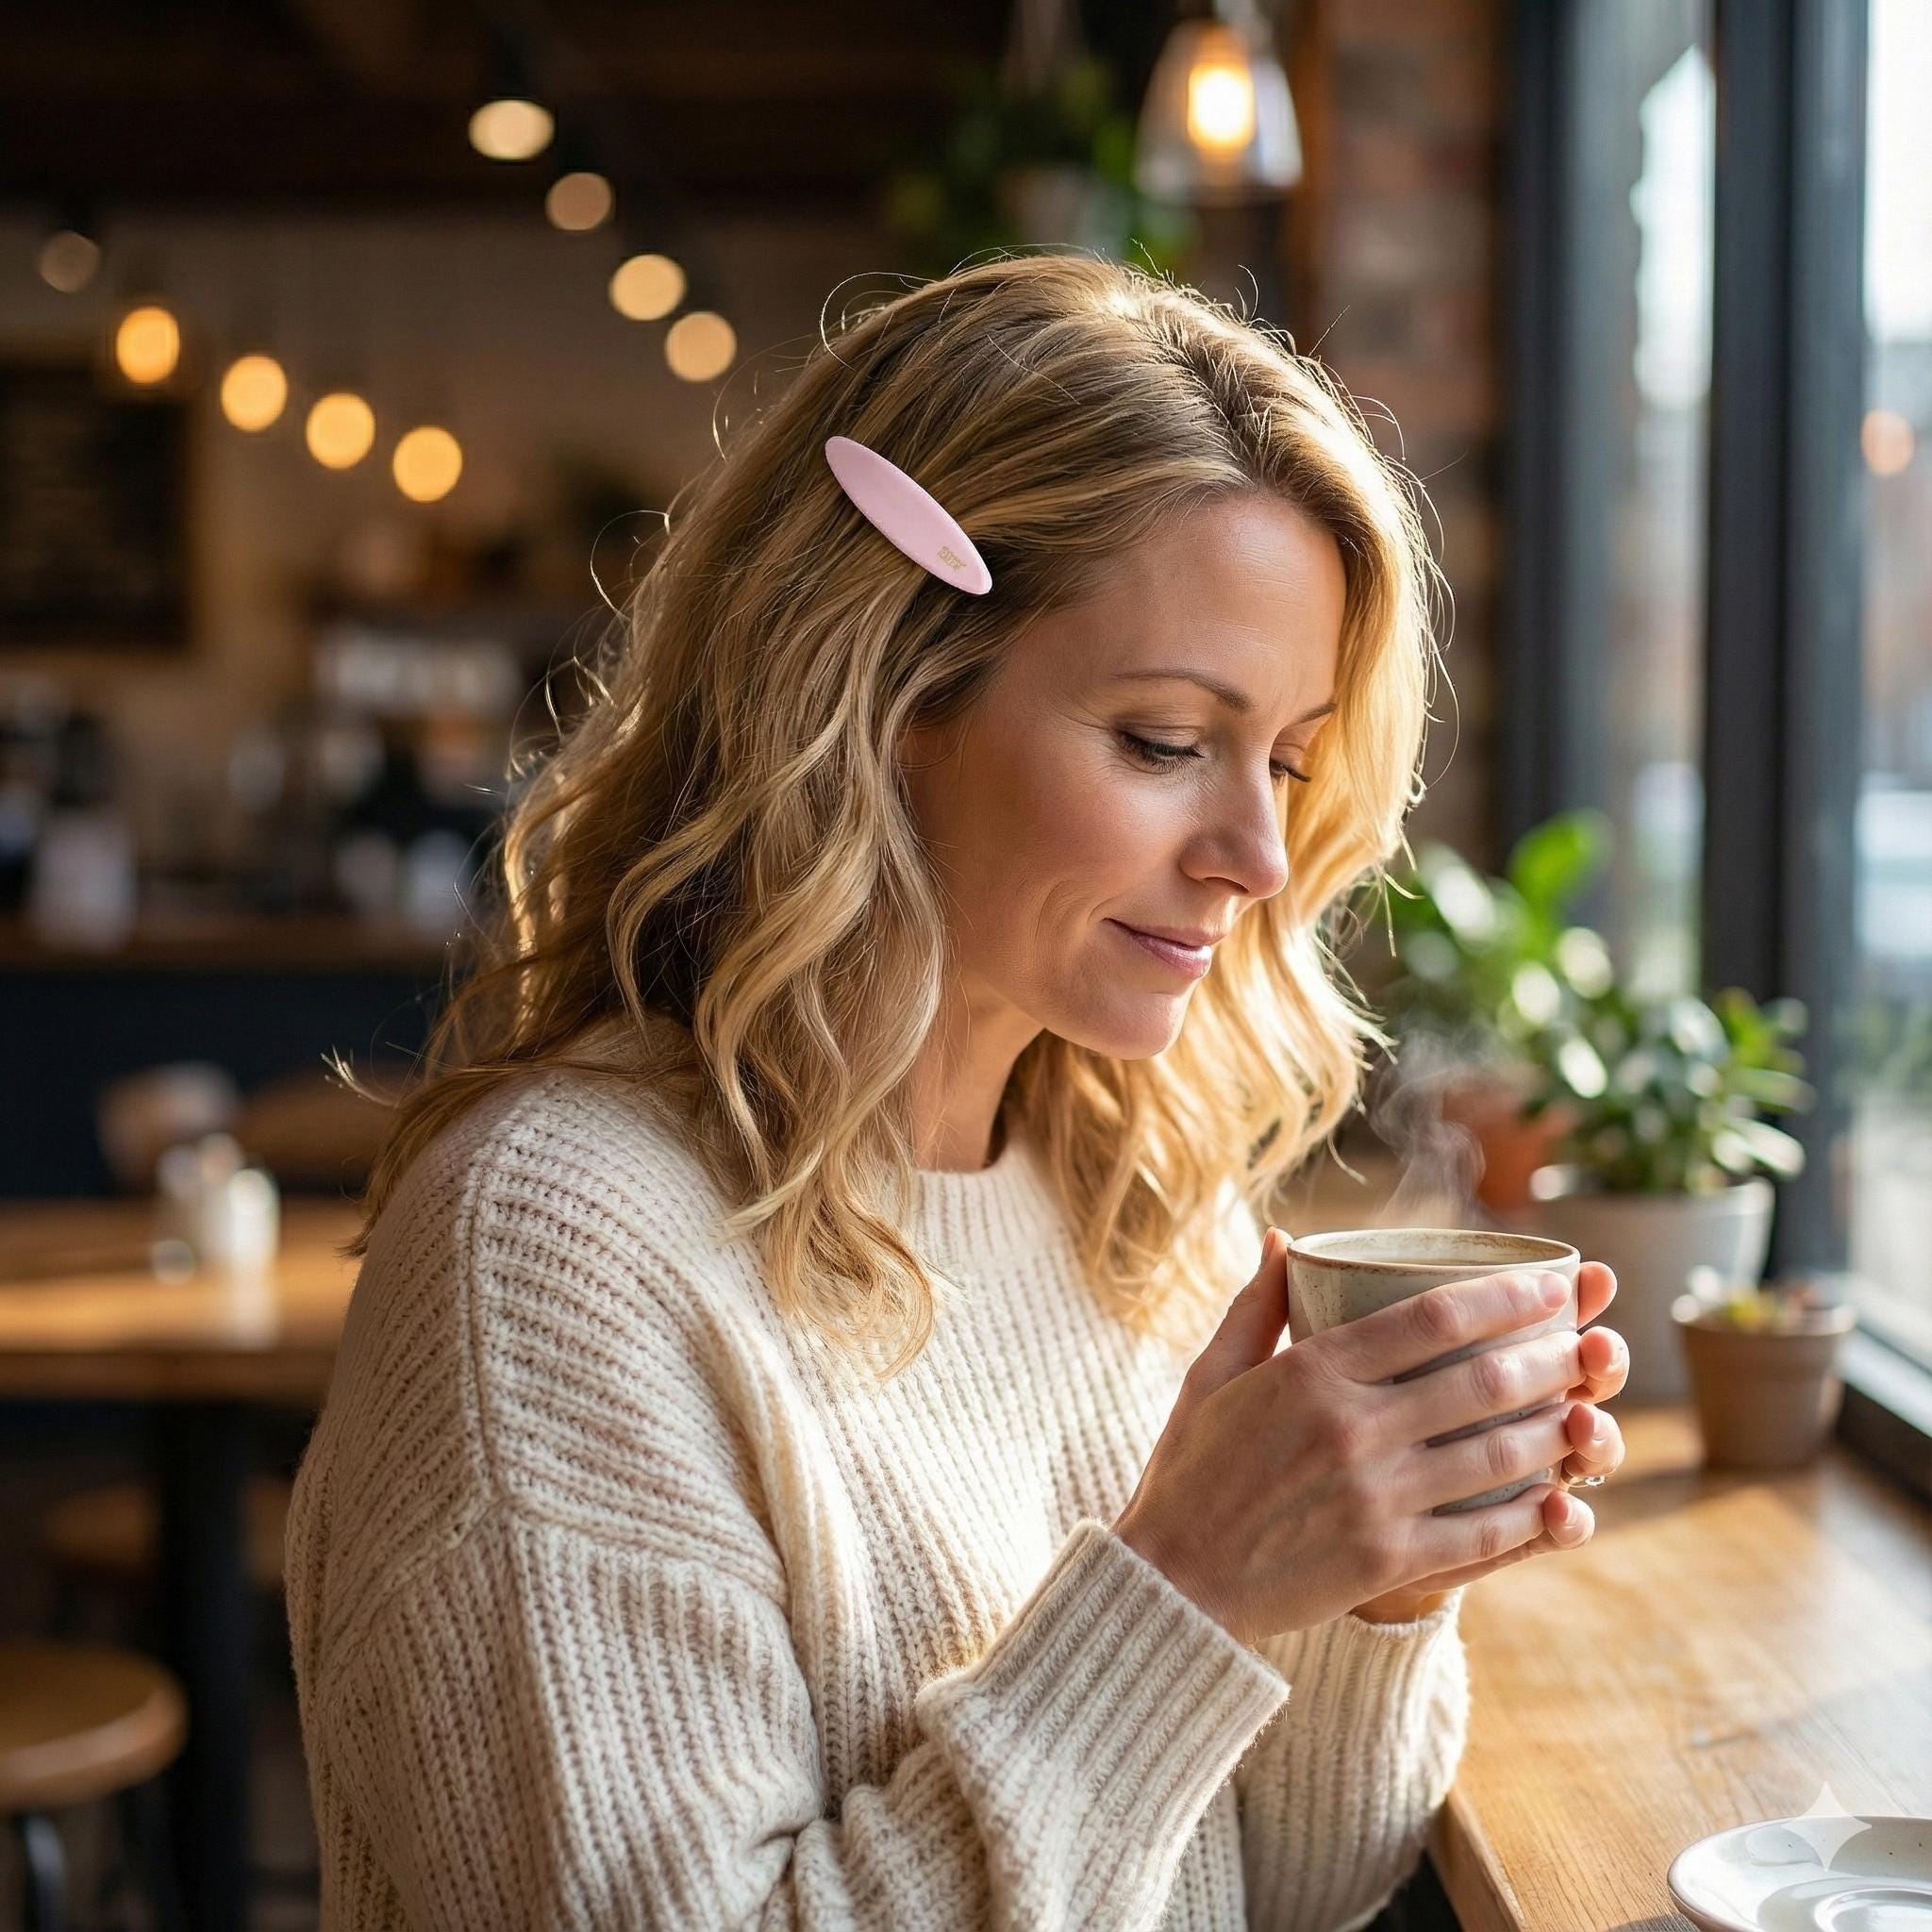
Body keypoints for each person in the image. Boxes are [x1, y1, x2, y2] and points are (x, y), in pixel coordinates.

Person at [286, 253, 1628, 1932]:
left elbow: (1278, 1889)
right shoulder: (556, 1251)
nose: (1259, 857)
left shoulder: (1135, 1191)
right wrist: (1185, 1591)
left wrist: (1375, 1591)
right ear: (876, 698)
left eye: (1286, 757)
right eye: (1160, 742)